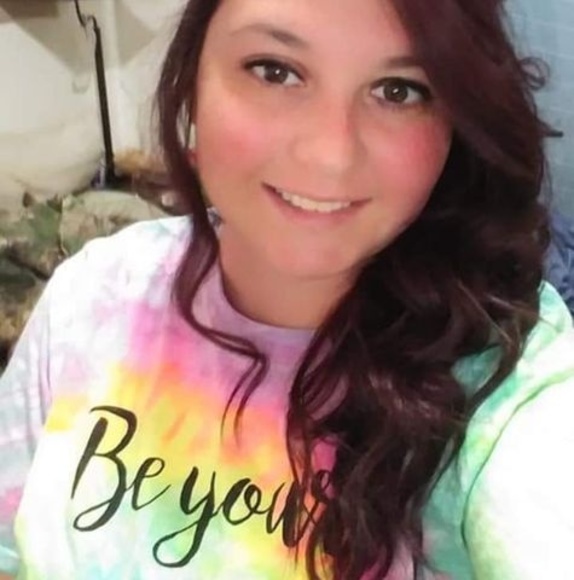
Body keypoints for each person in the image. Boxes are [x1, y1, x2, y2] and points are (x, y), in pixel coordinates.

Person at [1, 0, 573, 578]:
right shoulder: (94, 295)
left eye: (398, 91)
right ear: (193, 78)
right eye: (275, 71)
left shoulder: (507, 384)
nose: (331, 156)